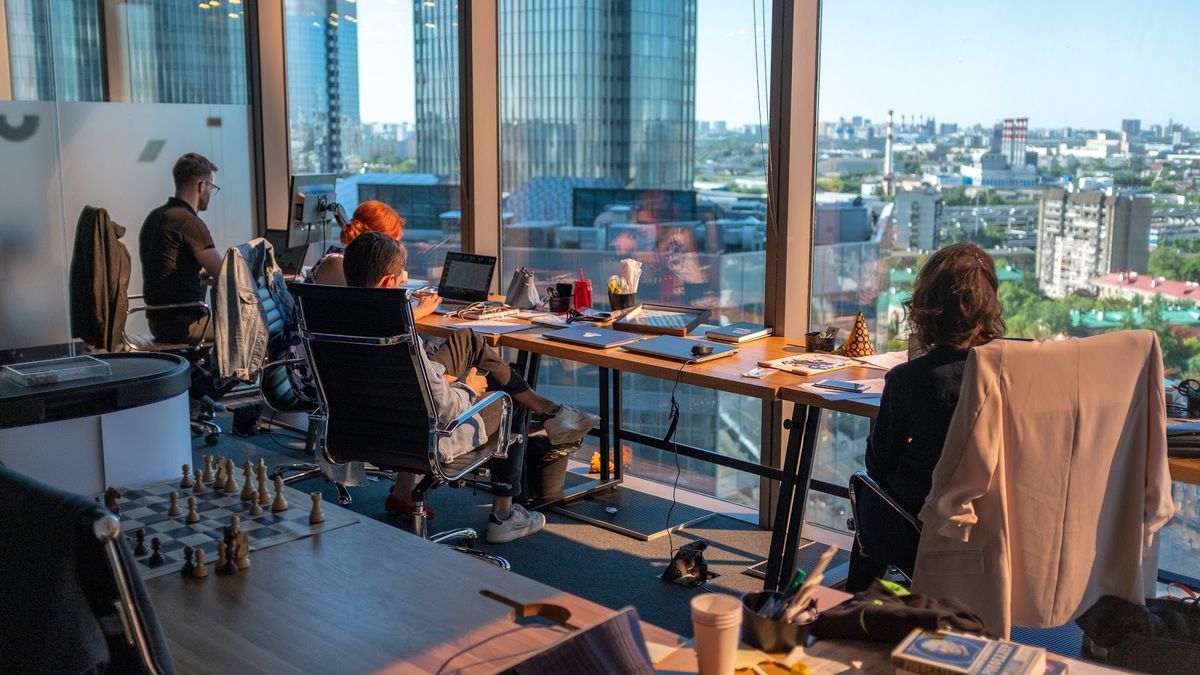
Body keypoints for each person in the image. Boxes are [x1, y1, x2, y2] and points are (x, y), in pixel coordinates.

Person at [342, 232, 600, 543]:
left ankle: (551, 412)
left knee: (469, 341)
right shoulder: (397, 333)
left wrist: (439, 376)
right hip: (424, 436)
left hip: (366, 431)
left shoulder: (341, 318)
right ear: (387, 283)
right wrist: (467, 386)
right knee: (508, 399)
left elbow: (408, 381)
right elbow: (444, 408)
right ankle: (504, 515)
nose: (402, 286)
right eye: (400, 279)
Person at [846, 242, 1005, 591]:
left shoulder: (909, 380)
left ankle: (852, 609)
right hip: (1002, 523)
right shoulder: (1015, 369)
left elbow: (878, 465)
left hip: (927, 526)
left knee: (865, 483)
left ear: (926, 307)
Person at [138, 153, 223, 343]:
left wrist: (198, 276)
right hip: (185, 325)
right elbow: (226, 273)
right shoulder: (187, 221)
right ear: (201, 186)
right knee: (255, 325)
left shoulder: (155, 216)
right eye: (212, 186)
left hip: (159, 322)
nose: (211, 192)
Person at [308, 200, 405, 286]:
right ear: (376, 241)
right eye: (392, 244)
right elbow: (361, 305)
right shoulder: (337, 264)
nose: (393, 252)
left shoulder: (357, 264)